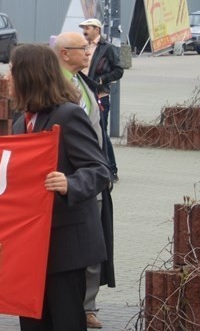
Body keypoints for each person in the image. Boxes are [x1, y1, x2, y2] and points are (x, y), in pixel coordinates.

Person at [9, 44, 112, 331]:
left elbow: (99, 170)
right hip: (32, 248)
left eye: (12, 72)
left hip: (65, 246)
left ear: (28, 75)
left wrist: (69, 183)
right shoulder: (20, 124)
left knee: (65, 322)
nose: (8, 79)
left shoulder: (67, 116)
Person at [54, 33, 116, 329]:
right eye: (83, 48)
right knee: (84, 245)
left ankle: (88, 305)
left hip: (92, 175)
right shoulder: (55, 86)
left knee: (95, 243)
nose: (89, 52)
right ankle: (80, 306)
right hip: (73, 180)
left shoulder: (84, 82)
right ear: (65, 54)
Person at [79, 18, 124, 182]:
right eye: (83, 28)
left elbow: (119, 70)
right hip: (83, 95)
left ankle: (111, 169)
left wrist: (101, 80)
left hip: (100, 96)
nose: (85, 31)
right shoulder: (82, 46)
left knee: (101, 133)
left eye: (88, 28)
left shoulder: (107, 49)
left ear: (97, 29)